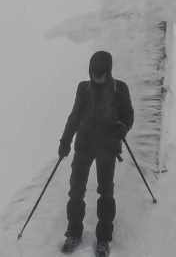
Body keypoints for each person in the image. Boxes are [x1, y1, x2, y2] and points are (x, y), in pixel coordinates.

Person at [58, 50, 134, 256]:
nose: (96, 77)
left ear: (108, 72)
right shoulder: (83, 89)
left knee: (106, 192)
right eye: (93, 73)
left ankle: (103, 239)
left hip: (107, 147)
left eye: (101, 73)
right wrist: (65, 140)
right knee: (76, 190)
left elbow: (128, 115)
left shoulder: (120, 89)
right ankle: (73, 233)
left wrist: (123, 127)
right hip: (84, 145)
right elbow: (74, 116)